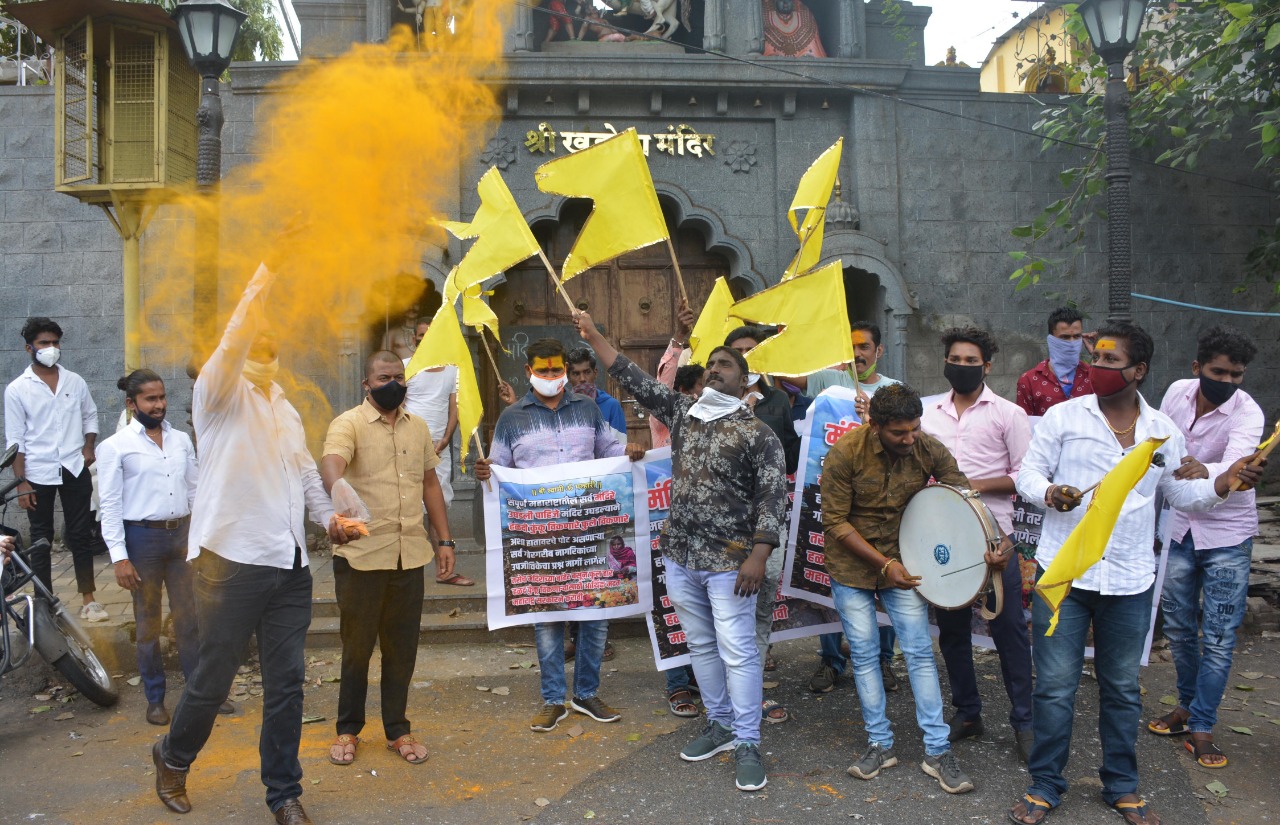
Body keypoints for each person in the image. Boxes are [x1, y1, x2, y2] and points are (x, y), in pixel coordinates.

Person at [1008, 322, 1263, 825]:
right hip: (1064, 577)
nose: (1097, 367)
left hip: (1129, 580)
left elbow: (1182, 496)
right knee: (1055, 686)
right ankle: (1045, 785)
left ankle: (1122, 786)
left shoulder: (1162, 432)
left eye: (1109, 360)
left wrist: (1224, 483)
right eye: (1096, 359)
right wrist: (1049, 492)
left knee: (1122, 688)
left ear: (1138, 370)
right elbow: (1028, 474)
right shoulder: (1063, 417)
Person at [152, 263, 350, 825]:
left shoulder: (284, 406)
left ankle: (283, 794)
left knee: (286, 684)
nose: (263, 344)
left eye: (271, 340)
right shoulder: (216, 396)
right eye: (252, 339)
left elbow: (305, 472)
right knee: (214, 678)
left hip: (289, 565)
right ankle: (172, 757)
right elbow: (236, 338)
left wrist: (332, 516)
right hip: (230, 563)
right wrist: (258, 287)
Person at [576, 310, 787, 792]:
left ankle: (748, 741)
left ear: (744, 380)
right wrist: (595, 334)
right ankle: (719, 725)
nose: (714, 369)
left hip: (732, 563)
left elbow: (774, 498)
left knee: (739, 651)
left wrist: (758, 555)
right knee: (701, 646)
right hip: (681, 556)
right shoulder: (682, 415)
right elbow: (629, 374)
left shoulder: (759, 435)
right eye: (711, 363)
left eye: (725, 366)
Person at [820, 382, 976, 794]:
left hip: (908, 563)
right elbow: (835, 523)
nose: (909, 439)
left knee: (920, 652)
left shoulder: (927, 447)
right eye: (898, 433)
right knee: (867, 654)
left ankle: (938, 751)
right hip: (853, 566)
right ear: (875, 427)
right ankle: (880, 744)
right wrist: (884, 564)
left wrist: (986, 544)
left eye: (914, 429)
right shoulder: (845, 454)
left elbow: (960, 495)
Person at [473, 338, 627, 734]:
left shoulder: (589, 409)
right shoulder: (511, 418)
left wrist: (636, 451)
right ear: (528, 372)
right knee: (547, 620)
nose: (552, 377)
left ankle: (587, 693)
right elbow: (499, 473)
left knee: (596, 614)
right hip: (540, 542)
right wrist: (486, 474)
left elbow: (613, 449)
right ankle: (553, 700)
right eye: (543, 371)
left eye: (557, 370)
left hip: (590, 534)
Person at [321, 350, 455, 767]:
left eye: (398, 376)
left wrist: (444, 540)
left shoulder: (418, 429)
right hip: (362, 556)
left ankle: (397, 729)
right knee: (357, 649)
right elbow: (332, 462)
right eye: (383, 377)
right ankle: (348, 730)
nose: (392, 382)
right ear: (367, 384)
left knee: (402, 650)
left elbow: (430, 483)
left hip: (408, 556)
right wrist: (339, 494)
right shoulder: (349, 423)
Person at [1146, 326, 1264, 770]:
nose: (1228, 382)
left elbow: (1238, 464)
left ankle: (1202, 725)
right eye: (1219, 371)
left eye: (1237, 374)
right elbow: (1157, 446)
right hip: (1178, 528)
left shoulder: (1248, 413)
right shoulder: (1177, 393)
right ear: (1198, 368)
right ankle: (1185, 707)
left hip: (1228, 534)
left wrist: (1210, 468)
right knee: (1178, 627)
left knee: (1217, 636)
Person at [919, 328, 1033, 761]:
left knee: (1008, 632)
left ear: (987, 366)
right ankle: (968, 713)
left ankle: (1024, 722)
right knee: (951, 632)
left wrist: (969, 486)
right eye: (955, 359)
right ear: (945, 361)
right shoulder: (928, 414)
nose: (962, 366)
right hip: (944, 536)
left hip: (994, 535)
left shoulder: (1009, 414)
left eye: (971, 361)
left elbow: (1026, 478)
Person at [801, 322, 901, 695]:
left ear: (879, 351)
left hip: (881, 508)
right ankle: (831, 660)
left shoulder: (894, 393)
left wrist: (875, 417)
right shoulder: (829, 383)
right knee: (831, 583)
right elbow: (785, 378)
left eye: (865, 347)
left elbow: (907, 445)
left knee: (884, 581)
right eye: (851, 347)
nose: (858, 354)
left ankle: (883, 661)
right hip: (836, 506)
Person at [96, 370, 200, 726]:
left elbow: (196, 489)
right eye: (150, 399)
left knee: (190, 619)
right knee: (148, 622)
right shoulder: (115, 447)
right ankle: (155, 698)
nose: (159, 405)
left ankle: (200, 694)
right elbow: (109, 505)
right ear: (132, 403)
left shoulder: (181, 440)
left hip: (182, 537)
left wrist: (202, 538)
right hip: (142, 540)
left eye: (162, 397)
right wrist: (120, 557)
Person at [4, 317, 104, 620]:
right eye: (44, 343)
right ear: (28, 348)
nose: (51, 348)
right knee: (40, 537)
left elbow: (91, 416)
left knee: (80, 534)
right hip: (37, 473)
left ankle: (89, 600)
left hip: (74, 467)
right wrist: (21, 482)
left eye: (55, 343)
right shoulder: (17, 389)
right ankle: (44, 603)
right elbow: (16, 440)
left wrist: (88, 448)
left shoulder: (75, 381)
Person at [403, 318, 470, 587]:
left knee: (438, 506)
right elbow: (399, 405)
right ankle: (408, 572)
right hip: (407, 448)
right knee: (409, 506)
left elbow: (454, 409)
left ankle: (444, 571)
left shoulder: (452, 371)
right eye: (421, 335)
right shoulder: (406, 368)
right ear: (414, 339)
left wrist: (444, 440)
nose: (425, 339)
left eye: (431, 335)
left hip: (438, 450)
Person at [1015, 306, 1096, 417]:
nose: (1072, 343)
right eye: (1065, 337)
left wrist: (1099, 355)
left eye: (1077, 336)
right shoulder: (1029, 380)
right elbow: (1024, 424)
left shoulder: (1093, 375)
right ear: (1051, 340)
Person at [568, 348, 628, 443]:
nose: (582, 379)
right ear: (568, 377)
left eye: (587, 372)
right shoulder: (562, 406)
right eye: (576, 374)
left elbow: (620, 446)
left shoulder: (611, 406)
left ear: (595, 373)